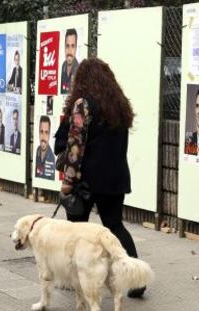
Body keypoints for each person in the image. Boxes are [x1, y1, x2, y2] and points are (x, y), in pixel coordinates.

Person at [54, 57, 146, 298]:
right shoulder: (118, 105)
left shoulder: (83, 105)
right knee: (115, 226)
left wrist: (67, 182)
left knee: (75, 231)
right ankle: (137, 280)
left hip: (86, 181)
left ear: (82, 80)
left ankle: (76, 280)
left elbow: (75, 146)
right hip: (115, 177)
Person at [35, 115, 55, 180]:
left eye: (46, 132)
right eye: (41, 132)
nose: (43, 137)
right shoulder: (37, 150)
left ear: (49, 135)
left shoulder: (51, 158)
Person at [60, 28, 79, 94]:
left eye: (72, 46)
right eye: (67, 46)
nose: (69, 51)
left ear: (76, 48)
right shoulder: (63, 66)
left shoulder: (79, 70)